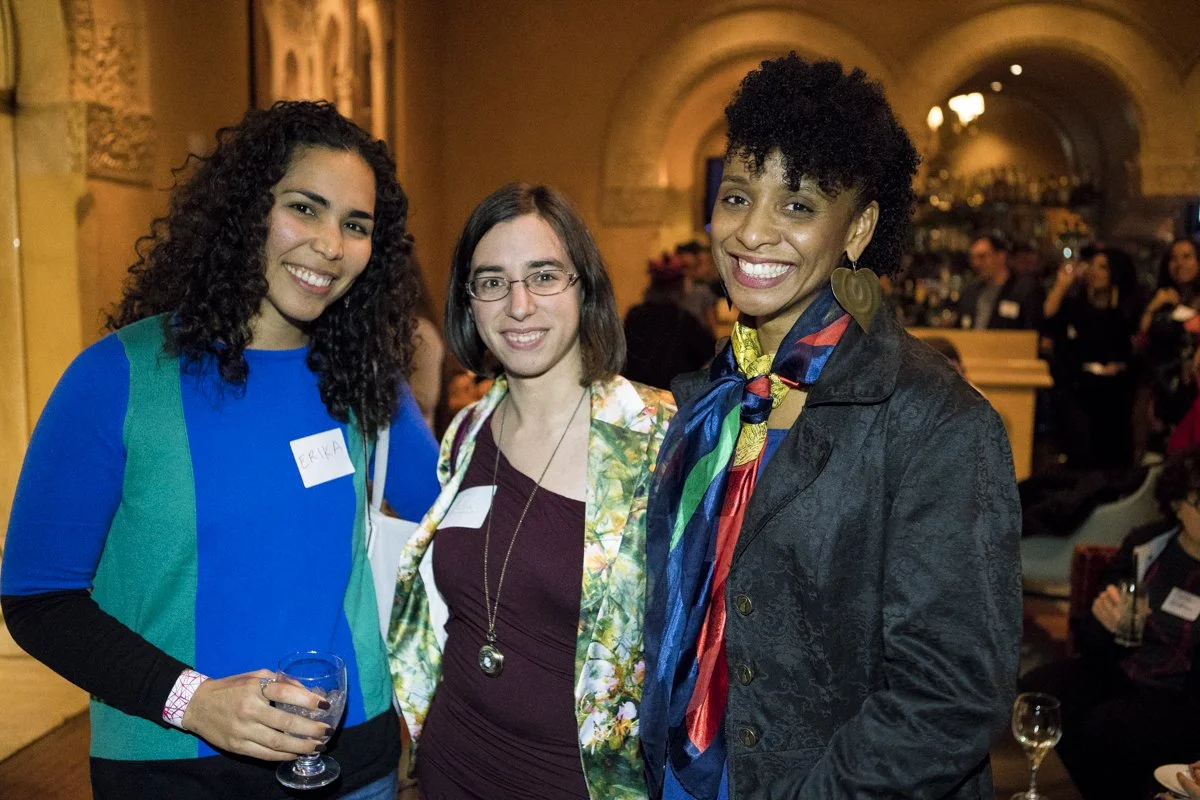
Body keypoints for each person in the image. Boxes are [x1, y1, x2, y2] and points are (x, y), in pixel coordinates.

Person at [0, 101, 440, 799]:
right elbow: (38, 599)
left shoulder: (363, 381)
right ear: (244, 212)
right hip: (171, 765)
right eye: (305, 207)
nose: (330, 244)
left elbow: (458, 513)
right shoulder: (118, 378)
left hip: (350, 763)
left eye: (355, 225)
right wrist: (193, 701)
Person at [640, 54, 1022, 799]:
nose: (751, 233)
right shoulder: (707, 401)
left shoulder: (934, 421)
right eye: (738, 196)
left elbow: (950, 695)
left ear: (860, 228)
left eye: (798, 206)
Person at [385, 183, 675, 799]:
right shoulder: (467, 430)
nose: (519, 305)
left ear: (584, 286)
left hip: (574, 781)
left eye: (544, 276)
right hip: (451, 762)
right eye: (492, 281)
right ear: (470, 302)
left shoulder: (658, 438)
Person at [1020, 445, 1200, 799]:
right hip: (1124, 671)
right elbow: (1091, 643)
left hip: (1183, 696)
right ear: (1178, 505)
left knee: (1107, 727)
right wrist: (1103, 622)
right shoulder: (1147, 547)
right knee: (1040, 691)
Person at [1043, 247, 1141, 469]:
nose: (1094, 272)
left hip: (1114, 396)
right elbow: (1048, 318)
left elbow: (1134, 354)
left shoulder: (1124, 313)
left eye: (1103, 267)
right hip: (1078, 392)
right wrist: (1062, 284)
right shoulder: (1075, 308)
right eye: (1093, 266)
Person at [623, 253, 717, 390]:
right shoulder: (684, 320)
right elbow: (710, 353)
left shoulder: (635, 315)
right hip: (672, 399)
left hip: (638, 394)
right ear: (679, 288)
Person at [958, 234, 1044, 330]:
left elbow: (1032, 331)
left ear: (1001, 256)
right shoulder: (970, 292)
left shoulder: (1025, 290)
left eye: (982, 257)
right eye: (973, 258)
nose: (976, 263)